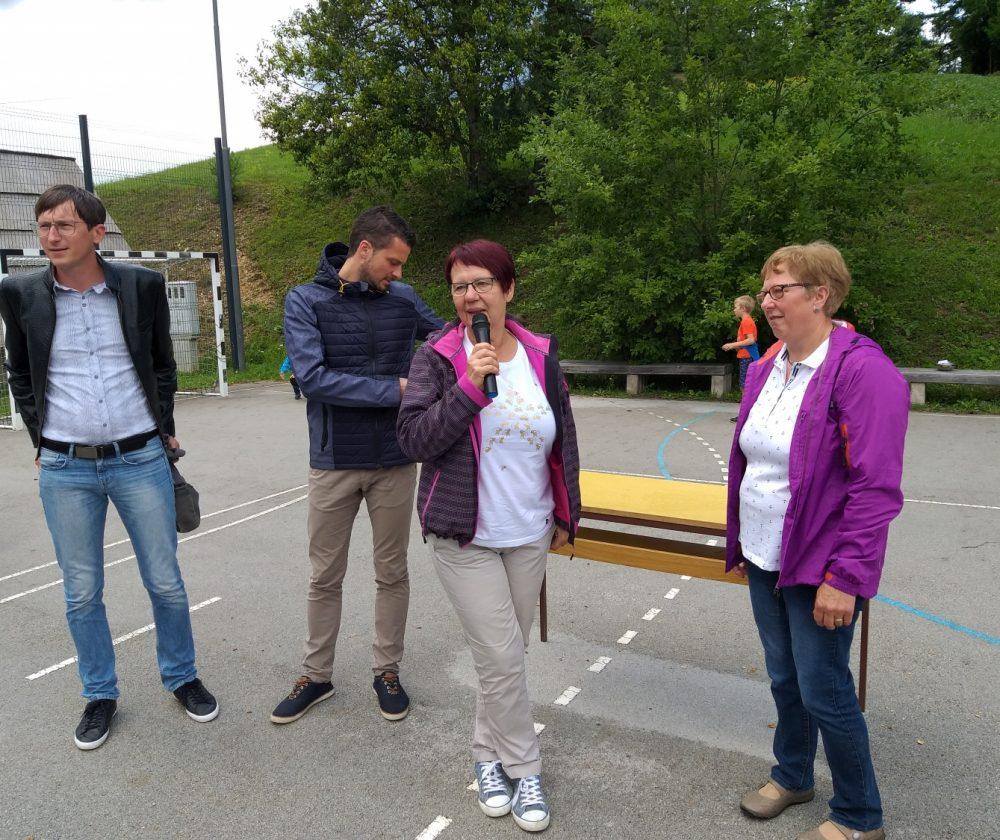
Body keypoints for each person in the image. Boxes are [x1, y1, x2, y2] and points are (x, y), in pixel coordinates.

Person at [0, 185, 218, 751]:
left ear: (97, 233)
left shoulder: (141, 286)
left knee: (165, 581)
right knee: (81, 591)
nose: (51, 236)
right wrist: (40, 437)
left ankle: (182, 676)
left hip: (140, 457)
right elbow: (19, 372)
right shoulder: (18, 292)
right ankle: (99, 693)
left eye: (64, 225)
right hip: (65, 467)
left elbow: (163, 364)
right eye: (44, 226)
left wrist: (164, 425)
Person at [397, 239, 581, 833]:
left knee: (502, 659)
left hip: (528, 532)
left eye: (481, 283)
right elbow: (414, 439)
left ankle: (484, 756)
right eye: (459, 287)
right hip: (463, 535)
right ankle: (525, 769)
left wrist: (566, 513)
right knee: (502, 658)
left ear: (508, 289)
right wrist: (471, 389)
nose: (470, 296)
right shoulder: (437, 357)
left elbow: (563, 437)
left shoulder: (540, 355)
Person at [726, 242, 908, 840]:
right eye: (765, 290)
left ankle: (859, 816)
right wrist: (743, 539)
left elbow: (875, 488)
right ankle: (794, 775)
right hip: (764, 553)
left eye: (781, 290)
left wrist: (845, 579)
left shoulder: (862, 371)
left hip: (820, 562)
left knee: (825, 689)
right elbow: (756, 463)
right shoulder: (768, 366)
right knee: (784, 678)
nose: (767, 301)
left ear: (821, 295)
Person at [271, 206, 443, 725]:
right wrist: (397, 389)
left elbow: (448, 341)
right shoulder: (305, 300)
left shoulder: (404, 298)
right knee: (325, 576)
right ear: (364, 249)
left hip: (396, 458)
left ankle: (386, 671)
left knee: (393, 573)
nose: (399, 273)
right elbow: (313, 379)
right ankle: (315, 676)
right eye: (393, 261)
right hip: (334, 462)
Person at [723, 294, 760, 421]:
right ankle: (746, 414)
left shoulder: (746, 321)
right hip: (746, 356)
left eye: (736, 307)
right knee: (744, 386)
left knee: (745, 386)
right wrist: (737, 346)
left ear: (743, 308)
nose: (734, 309)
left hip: (748, 358)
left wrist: (732, 344)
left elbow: (751, 340)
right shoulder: (746, 321)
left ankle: (746, 415)